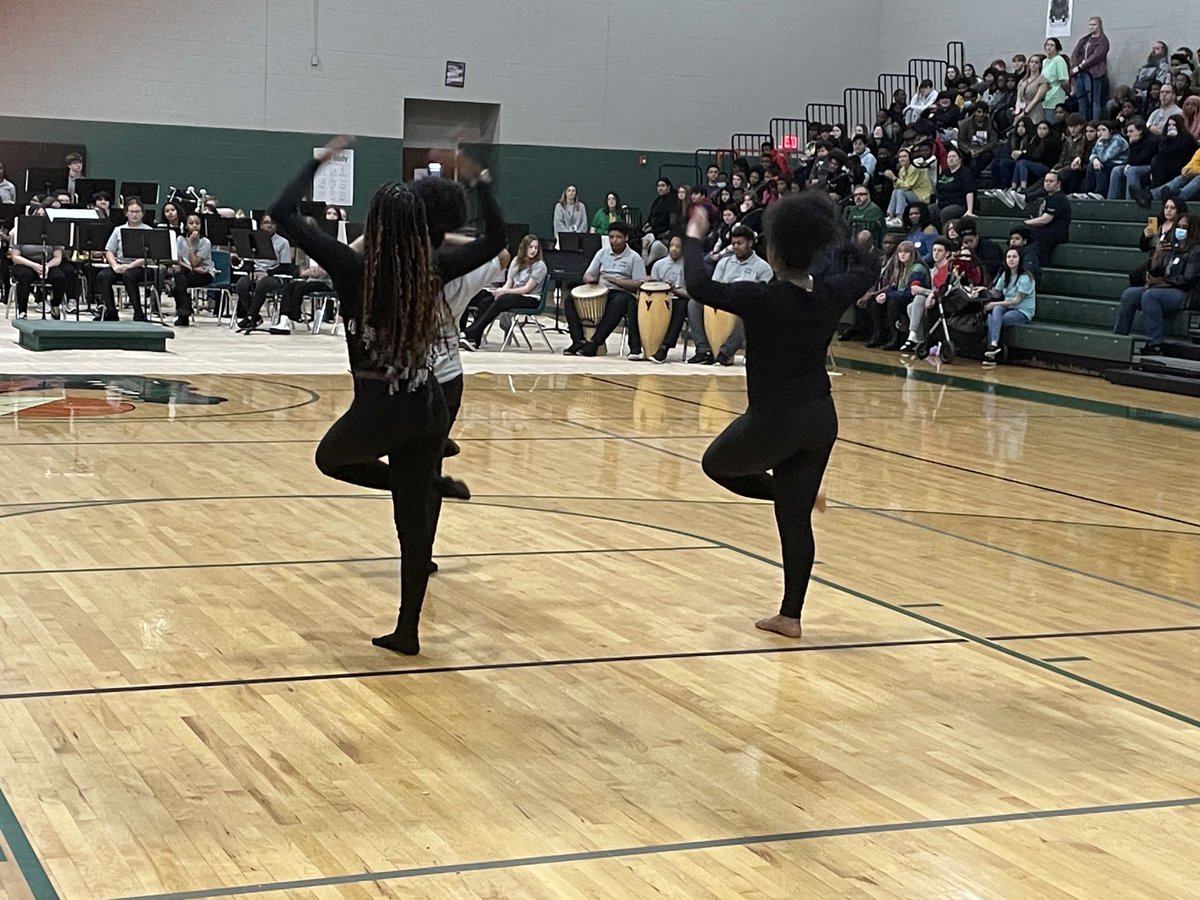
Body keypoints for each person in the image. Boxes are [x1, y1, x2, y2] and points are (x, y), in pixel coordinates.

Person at [268, 136, 505, 656]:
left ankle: (425, 487)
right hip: (427, 403)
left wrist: (318, 160)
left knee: (332, 459)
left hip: (380, 406)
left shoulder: (353, 268)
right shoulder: (433, 267)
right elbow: (495, 240)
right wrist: (481, 180)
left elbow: (280, 213)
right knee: (411, 527)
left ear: (373, 224)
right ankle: (407, 630)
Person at [682, 193, 875, 638]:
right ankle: (790, 616)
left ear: (772, 252)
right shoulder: (830, 293)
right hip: (820, 419)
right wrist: (841, 237)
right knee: (793, 519)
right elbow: (867, 268)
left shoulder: (762, 298)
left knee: (716, 464)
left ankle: (797, 502)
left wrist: (694, 233)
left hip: (774, 421)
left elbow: (699, 285)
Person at [686, 224, 772, 365]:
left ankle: (725, 353)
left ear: (750, 243)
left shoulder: (763, 267)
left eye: (740, 243)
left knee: (751, 312)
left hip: (744, 305)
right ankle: (703, 350)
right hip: (723, 300)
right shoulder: (724, 262)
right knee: (694, 303)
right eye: (733, 244)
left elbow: (763, 296)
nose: (736, 247)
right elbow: (713, 286)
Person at [1113, 215, 1200, 354]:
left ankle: (1155, 343)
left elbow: (1188, 279)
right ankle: (1119, 336)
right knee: (1129, 294)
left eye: (1185, 227)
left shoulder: (1196, 251)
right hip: (1165, 287)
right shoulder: (1171, 246)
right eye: (1179, 227)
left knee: (1151, 296)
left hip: (1186, 293)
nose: (1181, 230)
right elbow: (1157, 270)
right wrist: (1157, 256)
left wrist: (1162, 282)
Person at [565, 220, 646, 356]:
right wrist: (590, 278)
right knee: (570, 300)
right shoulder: (602, 253)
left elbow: (639, 284)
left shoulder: (634, 258)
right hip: (600, 290)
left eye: (618, 237)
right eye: (611, 237)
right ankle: (578, 340)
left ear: (626, 238)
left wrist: (616, 281)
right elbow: (588, 274)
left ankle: (595, 342)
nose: (614, 240)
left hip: (621, 293)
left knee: (620, 301)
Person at [459, 234, 547, 349]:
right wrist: (501, 290)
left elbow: (527, 289)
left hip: (530, 298)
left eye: (536, 248)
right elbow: (509, 283)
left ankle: (470, 332)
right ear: (524, 248)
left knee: (503, 299)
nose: (533, 250)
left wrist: (505, 292)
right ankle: (474, 340)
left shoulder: (540, 266)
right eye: (530, 247)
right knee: (485, 302)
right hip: (513, 295)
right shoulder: (516, 261)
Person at [95, 197, 154, 321]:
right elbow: (109, 251)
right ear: (126, 213)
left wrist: (129, 266)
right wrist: (115, 266)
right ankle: (111, 310)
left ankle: (138, 311)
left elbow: (148, 257)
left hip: (141, 267)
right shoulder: (118, 230)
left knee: (129, 275)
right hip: (120, 264)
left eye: (137, 212)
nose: (134, 215)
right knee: (103, 276)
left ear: (142, 213)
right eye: (131, 211)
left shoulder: (148, 231)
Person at [233, 214, 293, 330]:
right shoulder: (253, 240)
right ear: (261, 225)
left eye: (272, 223)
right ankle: (255, 316)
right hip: (256, 272)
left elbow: (285, 266)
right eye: (266, 223)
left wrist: (268, 273)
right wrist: (252, 272)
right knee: (241, 285)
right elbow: (249, 261)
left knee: (263, 284)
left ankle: (250, 316)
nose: (269, 225)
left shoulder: (283, 242)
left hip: (274, 275)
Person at [980, 248, 1036, 364]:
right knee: (996, 311)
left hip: (1022, 311)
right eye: (1009, 257)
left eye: (1014, 257)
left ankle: (991, 349)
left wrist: (995, 303)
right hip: (1007, 308)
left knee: (993, 320)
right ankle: (994, 346)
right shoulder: (1005, 275)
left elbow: (1016, 300)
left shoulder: (1025, 277)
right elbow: (996, 292)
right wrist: (981, 289)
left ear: (1020, 259)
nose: (1011, 259)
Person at [645, 234, 689, 362]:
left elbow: (692, 294)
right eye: (672, 246)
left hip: (679, 299)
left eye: (678, 247)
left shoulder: (690, 267)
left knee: (680, 306)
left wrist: (674, 290)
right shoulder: (659, 265)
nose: (674, 249)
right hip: (660, 299)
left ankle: (665, 346)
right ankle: (646, 344)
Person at [9, 225, 69, 319]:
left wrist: (47, 266)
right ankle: (22, 311)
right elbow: (15, 256)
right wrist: (34, 265)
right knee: (25, 276)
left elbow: (58, 257)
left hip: (47, 264)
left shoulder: (53, 233)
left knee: (60, 278)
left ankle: (55, 305)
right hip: (26, 263)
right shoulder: (21, 232)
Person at [167, 213, 215, 326]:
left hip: (205, 273)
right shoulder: (180, 239)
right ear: (186, 225)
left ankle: (183, 314)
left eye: (197, 223)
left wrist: (190, 244)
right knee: (179, 277)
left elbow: (195, 261)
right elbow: (179, 260)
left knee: (178, 283)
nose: (194, 226)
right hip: (189, 270)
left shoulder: (205, 242)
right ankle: (184, 312)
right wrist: (192, 268)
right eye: (191, 223)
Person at [1024, 170, 1072, 265]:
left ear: (1058, 184)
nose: (1048, 184)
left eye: (1051, 181)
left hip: (1056, 233)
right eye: (1046, 181)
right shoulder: (1049, 196)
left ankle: (1038, 265)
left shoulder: (1058, 198)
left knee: (1030, 232)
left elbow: (1045, 220)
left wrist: (1026, 223)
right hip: (1047, 231)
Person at [1070, 17, 1110, 122]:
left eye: (1094, 24)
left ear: (1099, 25)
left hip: (1094, 74)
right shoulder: (1084, 40)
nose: (1091, 27)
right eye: (1090, 25)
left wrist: (1081, 66)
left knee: (1094, 100)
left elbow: (1097, 56)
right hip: (1080, 73)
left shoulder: (1103, 40)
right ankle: (1082, 122)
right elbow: (1075, 53)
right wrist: (1075, 65)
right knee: (1081, 99)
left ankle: (1095, 122)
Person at [1041, 39, 1070, 119]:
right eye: (1047, 45)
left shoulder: (1059, 60)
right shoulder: (1045, 61)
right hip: (1045, 98)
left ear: (1057, 48)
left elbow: (1064, 80)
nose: (1049, 47)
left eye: (1052, 45)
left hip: (1055, 97)